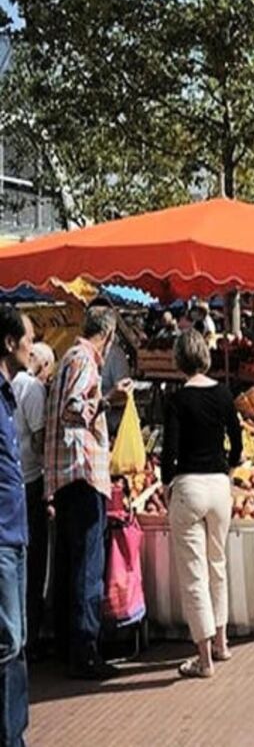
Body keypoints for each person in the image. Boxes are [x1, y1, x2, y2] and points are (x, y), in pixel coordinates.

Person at [44, 307, 132, 679]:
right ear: (108, 337)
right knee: (87, 567)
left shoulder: (68, 357)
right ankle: (85, 651)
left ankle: (67, 645)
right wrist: (109, 397)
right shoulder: (84, 360)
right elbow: (74, 409)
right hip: (81, 474)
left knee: (69, 561)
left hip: (66, 476)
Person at [161, 330, 241, 679]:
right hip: (220, 486)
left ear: (179, 359)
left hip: (190, 485)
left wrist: (167, 485)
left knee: (194, 574)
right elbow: (237, 443)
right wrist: (230, 468)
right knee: (217, 565)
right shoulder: (224, 394)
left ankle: (204, 658)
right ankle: (222, 642)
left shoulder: (177, 401)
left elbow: (170, 453)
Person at [0, 307, 33, 745]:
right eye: (28, 337)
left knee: (17, 642)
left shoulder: (9, 396)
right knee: (8, 644)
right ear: (9, 343)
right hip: (2, 538)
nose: (33, 344)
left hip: (16, 532)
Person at [13, 343, 54, 662]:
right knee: (34, 559)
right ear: (44, 365)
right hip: (31, 479)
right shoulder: (33, 389)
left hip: (13, 479)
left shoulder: (10, 384)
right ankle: (31, 633)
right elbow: (41, 439)